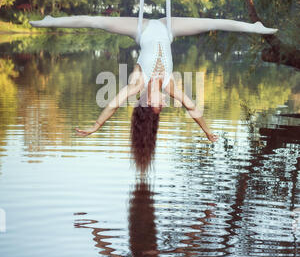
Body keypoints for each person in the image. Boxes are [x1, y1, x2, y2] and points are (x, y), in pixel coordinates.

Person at [30, 14, 278, 171]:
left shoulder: (137, 83)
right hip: (168, 29)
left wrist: (97, 125)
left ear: (145, 102)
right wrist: (207, 131)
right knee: (212, 23)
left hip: (142, 28)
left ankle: (51, 20)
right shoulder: (170, 86)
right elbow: (193, 108)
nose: (164, 101)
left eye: (158, 104)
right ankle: (254, 27)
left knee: (98, 21)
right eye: (163, 105)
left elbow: (113, 105)